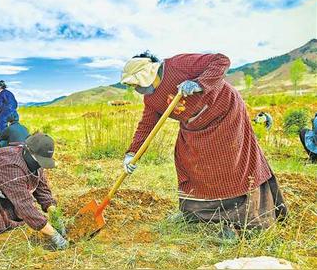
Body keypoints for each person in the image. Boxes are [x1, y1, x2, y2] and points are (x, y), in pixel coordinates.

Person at [121, 51, 287, 231]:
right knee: (186, 159)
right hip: (194, 126)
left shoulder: (177, 64)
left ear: (148, 73)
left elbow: (221, 60)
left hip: (224, 112)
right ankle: (195, 214)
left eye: (136, 82)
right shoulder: (151, 99)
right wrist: (131, 153)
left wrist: (199, 84)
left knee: (231, 160)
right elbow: (146, 125)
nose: (136, 88)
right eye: (133, 85)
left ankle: (244, 218)